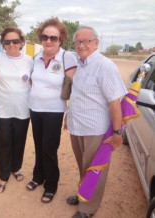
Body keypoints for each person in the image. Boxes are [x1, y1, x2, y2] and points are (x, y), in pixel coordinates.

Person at [66, 26, 127, 218]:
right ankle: (83, 194)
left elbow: (115, 102)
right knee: (83, 166)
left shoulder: (105, 65)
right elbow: (78, 95)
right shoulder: (80, 64)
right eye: (78, 42)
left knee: (94, 169)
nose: (81, 45)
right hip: (77, 126)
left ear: (96, 43)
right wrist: (69, 115)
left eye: (86, 41)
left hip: (96, 129)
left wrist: (117, 134)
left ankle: (87, 209)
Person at [27, 18, 77, 203]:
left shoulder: (67, 57)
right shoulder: (35, 58)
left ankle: (51, 184)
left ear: (60, 39)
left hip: (54, 112)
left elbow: (72, 86)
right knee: (39, 146)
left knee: (49, 148)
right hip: (35, 108)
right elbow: (32, 81)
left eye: (53, 38)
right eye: (44, 37)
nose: (48, 41)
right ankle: (38, 176)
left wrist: (69, 112)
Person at [0, 27, 33, 193]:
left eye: (15, 41)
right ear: (3, 43)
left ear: (21, 42)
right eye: (7, 41)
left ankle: (16, 168)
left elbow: (33, 83)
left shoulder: (29, 60)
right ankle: (3, 175)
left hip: (23, 108)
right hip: (2, 109)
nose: (11, 44)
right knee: (4, 142)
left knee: (19, 141)